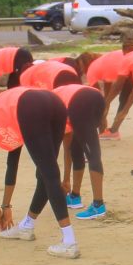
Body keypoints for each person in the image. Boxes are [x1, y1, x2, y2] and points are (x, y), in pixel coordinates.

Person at [0, 86, 80, 258]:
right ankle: (27, 226)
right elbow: (12, 163)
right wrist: (6, 207)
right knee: (44, 173)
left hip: (30, 104)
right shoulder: (3, 115)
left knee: (49, 173)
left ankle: (69, 241)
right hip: (53, 102)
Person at [53, 82, 108, 219]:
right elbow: (69, 146)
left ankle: (98, 205)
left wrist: (65, 180)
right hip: (97, 97)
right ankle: (75, 196)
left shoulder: (50, 107)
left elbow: (65, 145)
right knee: (76, 149)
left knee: (92, 154)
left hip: (81, 102)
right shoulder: (54, 94)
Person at [81, 48, 129, 140]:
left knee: (123, 99)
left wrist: (105, 104)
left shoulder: (92, 69)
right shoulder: (103, 61)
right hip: (128, 58)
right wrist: (106, 102)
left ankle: (113, 131)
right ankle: (107, 131)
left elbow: (96, 95)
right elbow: (108, 86)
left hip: (128, 68)